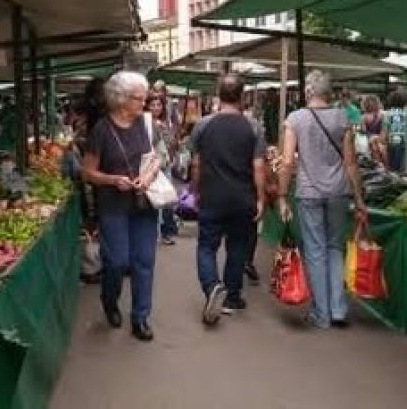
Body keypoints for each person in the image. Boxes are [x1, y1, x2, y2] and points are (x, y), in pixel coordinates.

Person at [279, 70, 367, 329]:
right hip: (339, 192)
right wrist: (360, 199)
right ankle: (338, 310)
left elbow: (286, 162)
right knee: (335, 248)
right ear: (329, 92)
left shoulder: (295, 119)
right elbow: (351, 164)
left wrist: (282, 196)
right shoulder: (342, 118)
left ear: (308, 91)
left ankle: (321, 314)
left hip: (309, 192)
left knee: (316, 251)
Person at [83, 71, 161, 342]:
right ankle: (109, 299)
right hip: (113, 204)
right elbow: (88, 172)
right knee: (116, 260)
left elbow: (158, 157)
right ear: (121, 99)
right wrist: (112, 180)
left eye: (144, 97)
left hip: (143, 202)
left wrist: (147, 176)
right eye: (138, 98)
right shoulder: (101, 130)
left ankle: (140, 317)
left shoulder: (146, 124)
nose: (144, 103)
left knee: (144, 261)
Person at [190, 73, 266, 326]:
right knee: (238, 247)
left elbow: (196, 163)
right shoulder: (254, 127)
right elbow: (258, 167)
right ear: (242, 96)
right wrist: (261, 199)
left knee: (206, 247)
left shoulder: (203, 125)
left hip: (212, 196)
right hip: (243, 198)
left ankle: (212, 286)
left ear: (218, 94)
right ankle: (232, 296)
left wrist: (195, 190)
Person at [145, 92, 179, 245]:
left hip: (165, 164)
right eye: (153, 104)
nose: (156, 107)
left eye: (159, 104)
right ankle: (156, 233)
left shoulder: (166, 122)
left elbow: (171, 142)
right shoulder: (145, 123)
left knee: (167, 199)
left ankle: (166, 231)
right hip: (151, 166)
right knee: (155, 199)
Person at [381, 90, 406, 173]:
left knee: (393, 169)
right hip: (404, 143)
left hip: (391, 144)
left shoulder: (387, 114)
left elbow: (384, 132)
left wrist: (382, 141)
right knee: (403, 169)